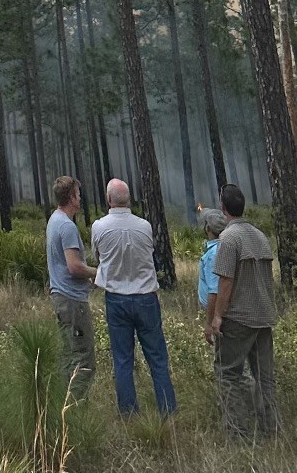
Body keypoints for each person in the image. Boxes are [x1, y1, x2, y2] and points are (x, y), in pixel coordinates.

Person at [90, 178, 176, 418]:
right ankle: (168, 410)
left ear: (108, 200)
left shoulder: (99, 227)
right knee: (157, 358)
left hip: (116, 298)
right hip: (146, 297)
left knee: (123, 360)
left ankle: (129, 414)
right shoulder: (145, 226)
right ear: (128, 199)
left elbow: (98, 259)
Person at [206, 182, 278, 438]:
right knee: (264, 378)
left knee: (228, 375)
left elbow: (225, 281)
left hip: (238, 319)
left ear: (223, 208)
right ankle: (271, 430)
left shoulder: (228, 238)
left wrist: (217, 317)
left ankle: (238, 433)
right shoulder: (260, 236)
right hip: (263, 317)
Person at [47, 176, 95, 396]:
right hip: (73, 301)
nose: (80, 198)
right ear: (72, 197)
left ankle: (64, 405)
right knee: (83, 358)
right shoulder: (66, 227)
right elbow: (74, 267)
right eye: (78, 193)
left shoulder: (54, 220)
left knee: (69, 355)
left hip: (62, 298)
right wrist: (99, 273)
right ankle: (75, 408)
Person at [196, 209, 226, 318]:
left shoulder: (213, 254)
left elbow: (214, 291)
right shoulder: (222, 247)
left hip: (214, 313)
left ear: (208, 228)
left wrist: (210, 322)